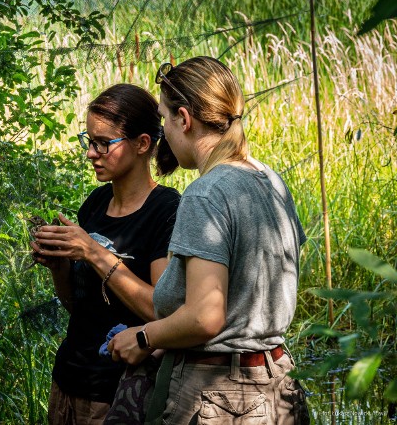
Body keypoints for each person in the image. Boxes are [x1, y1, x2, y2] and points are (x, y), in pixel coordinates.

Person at [107, 57, 310, 424]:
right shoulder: (270, 180)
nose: (164, 132)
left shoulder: (206, 194)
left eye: (165, 118)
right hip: (279, 384)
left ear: (184, 119)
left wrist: (143, 337)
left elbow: (205, 316)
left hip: (220, 399)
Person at [30, 83, 181, 425]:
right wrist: (59, 267)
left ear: (143, 144)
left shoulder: (166, 211)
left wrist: (93, 251)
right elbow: (77, 306)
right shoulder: (95, 204)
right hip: (68, 381)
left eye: (103, 143)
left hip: (120, 394)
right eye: (88, 140)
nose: (90, 153)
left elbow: (162, 309)